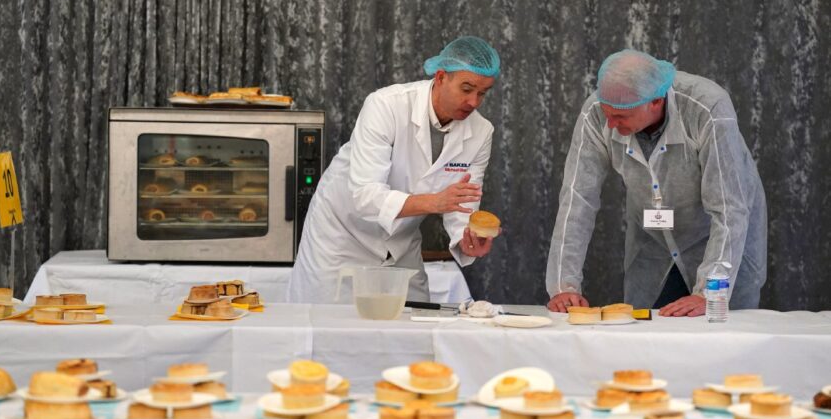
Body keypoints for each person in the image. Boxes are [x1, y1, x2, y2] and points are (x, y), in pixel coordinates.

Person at [546, 49, 766, 317]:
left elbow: (729, 207)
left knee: (721, 341)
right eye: (608, 116)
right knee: (649, 339)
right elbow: (577, 198)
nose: (612, 126)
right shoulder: (598, 112)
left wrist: (710, 292)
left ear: (655, 102)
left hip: (719, 242)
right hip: (653, 244)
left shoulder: (707, 108)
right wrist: (563, 284)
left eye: (621, 118)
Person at [288, 36, 502, 303]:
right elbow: (366, 196)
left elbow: (463, 203)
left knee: (411, 331)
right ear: (440, 77)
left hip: (400, 244)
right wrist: (435, 202)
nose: (473, 102)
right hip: (341, 238)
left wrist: (466, 238)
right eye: (466, 88)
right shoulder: (386, 105)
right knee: (328, 329)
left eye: (482, 93)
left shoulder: (481, 132)